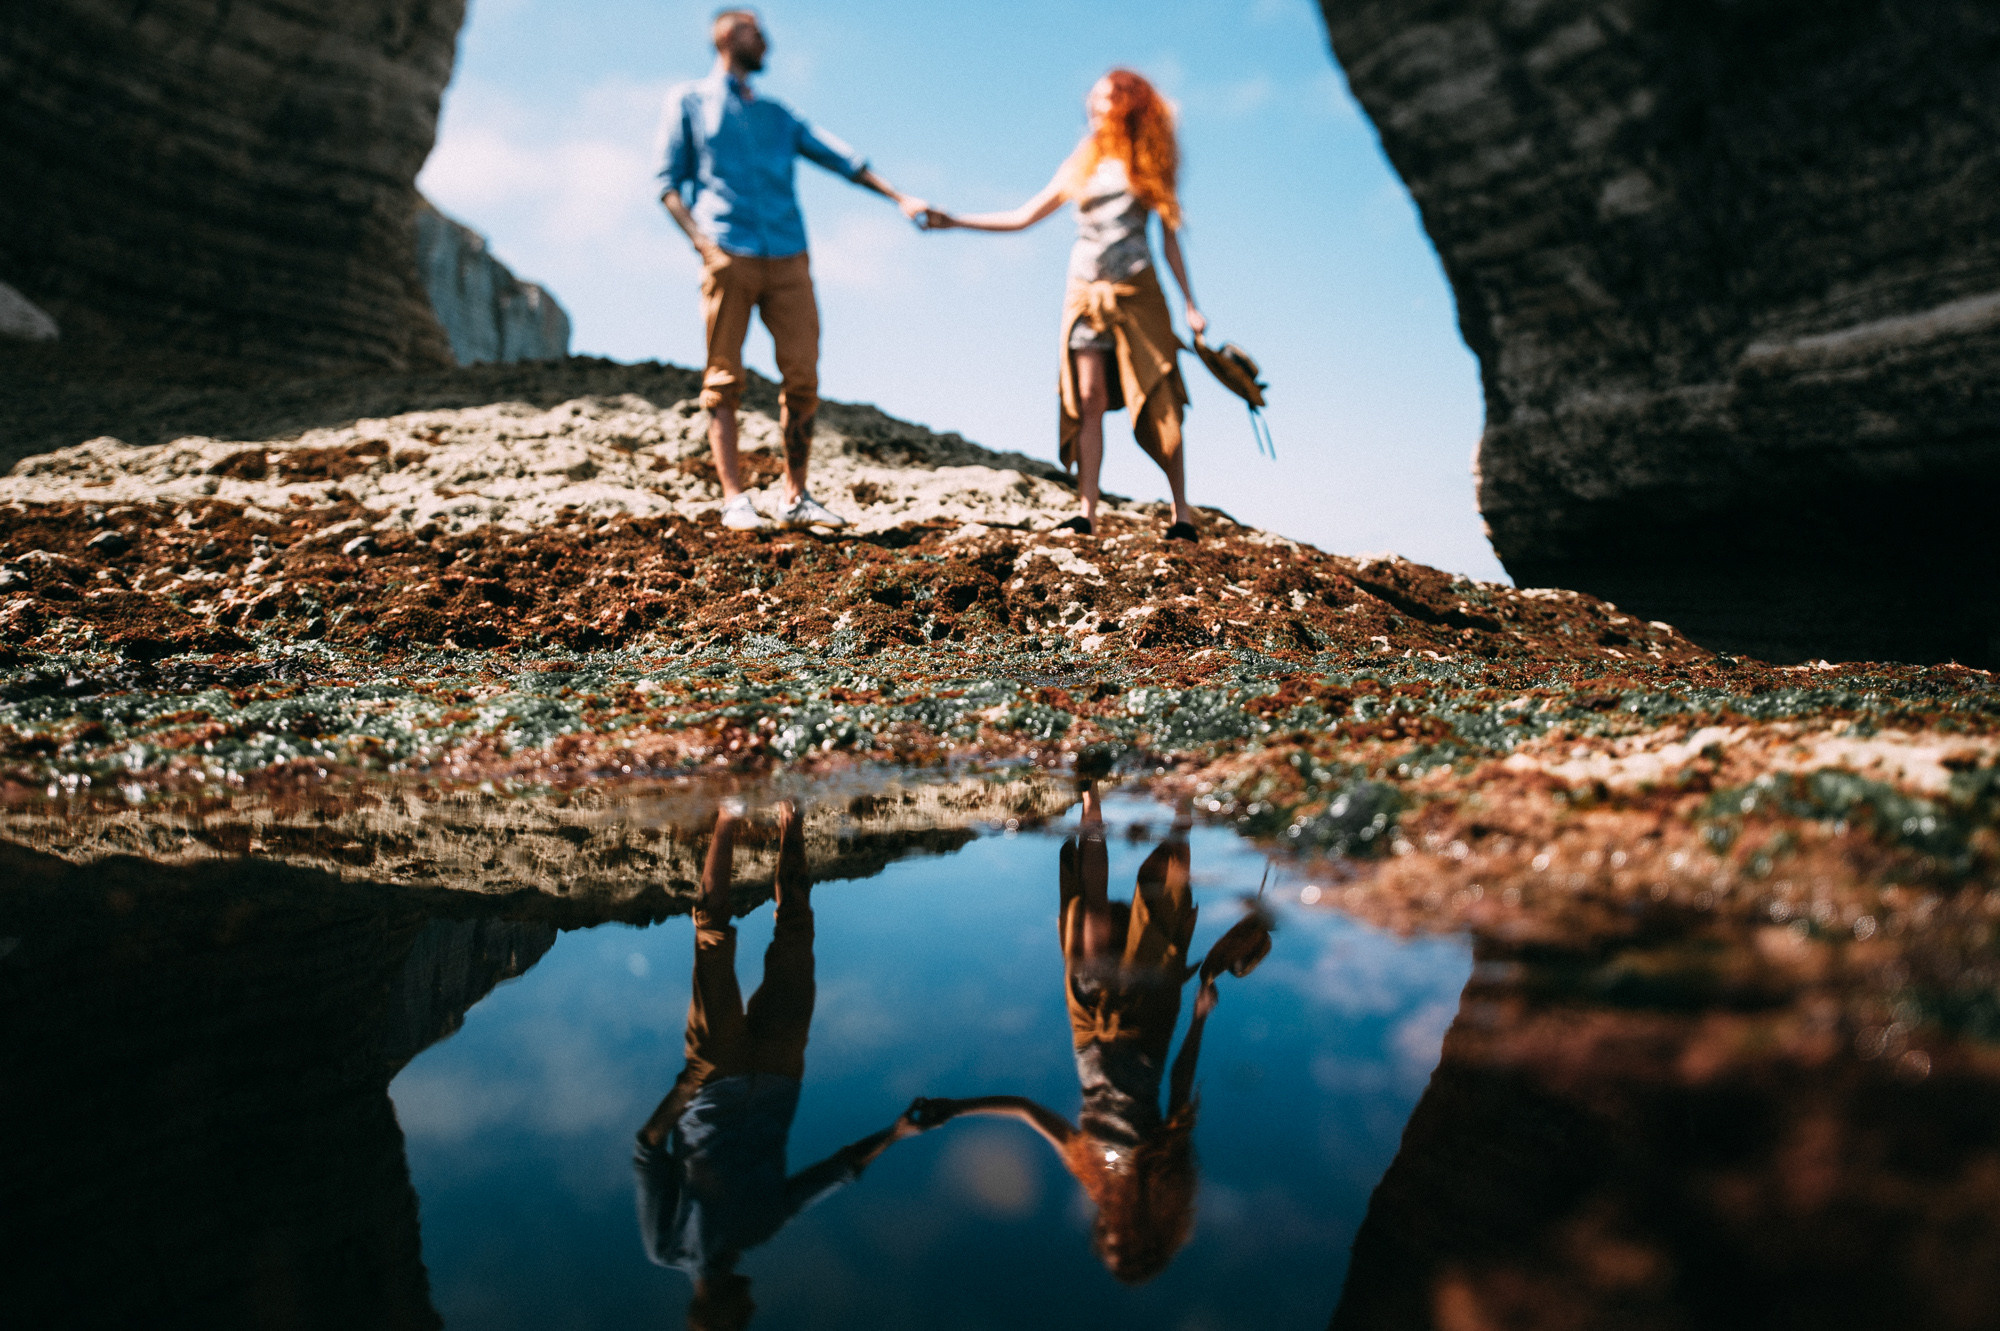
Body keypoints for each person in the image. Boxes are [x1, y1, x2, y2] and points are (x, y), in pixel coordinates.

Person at [905, 784, 1272, 1284]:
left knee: (1088, 915)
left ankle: (1090, 798)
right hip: (1145, 1033)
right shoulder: (1163, 1176)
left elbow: (1027, 1112)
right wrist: (1200, 1018)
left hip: (1087, 1036)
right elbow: (1182, 1092)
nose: (1114, 1241)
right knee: (1161, 907)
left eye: (1108, 1249)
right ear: (1151, 1240)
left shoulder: (1088, 1173)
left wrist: (956, 1107)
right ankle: (1183, 810)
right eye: (1129, 1251)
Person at [635, 800, 933, 1330]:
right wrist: (895, 1133)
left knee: (712, 935)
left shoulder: (668, 1246)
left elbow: (647, 1149)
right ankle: (790, 817)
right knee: (796, 931)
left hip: (713, 1079)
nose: (752, 1310)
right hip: (779, 1073)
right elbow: (837, 1172)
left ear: (715, 1314)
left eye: (741, 1319)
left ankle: (727, 815)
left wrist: (687, 1085)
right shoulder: (761, 1227)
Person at [656, 10, 929, 531]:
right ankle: (735, 499)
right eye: (757, 33)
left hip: (788, 257)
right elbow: (667, 183)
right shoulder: (688, 101)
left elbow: (840, 158)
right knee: (723, 377)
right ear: (727, 35)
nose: (767, 44)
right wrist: (703, 246)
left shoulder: (780, 115)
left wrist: (900, 197)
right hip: (728, 252)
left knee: (803, 376)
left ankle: (795, 496)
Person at [924, 70, 1206, 541]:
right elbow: (1024, 216)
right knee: (1087, 398)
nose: (1096, 106)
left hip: (1139, 289)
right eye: (1094, 98)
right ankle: (1086, 512)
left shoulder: (1151, 159)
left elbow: (1169, 239)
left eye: (1108, 97)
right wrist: (953, 221)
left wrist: (1192, 304)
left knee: (1160, 395)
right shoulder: (1085, 158)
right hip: (1083, 290)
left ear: (1132, 102)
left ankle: (1182, 514)